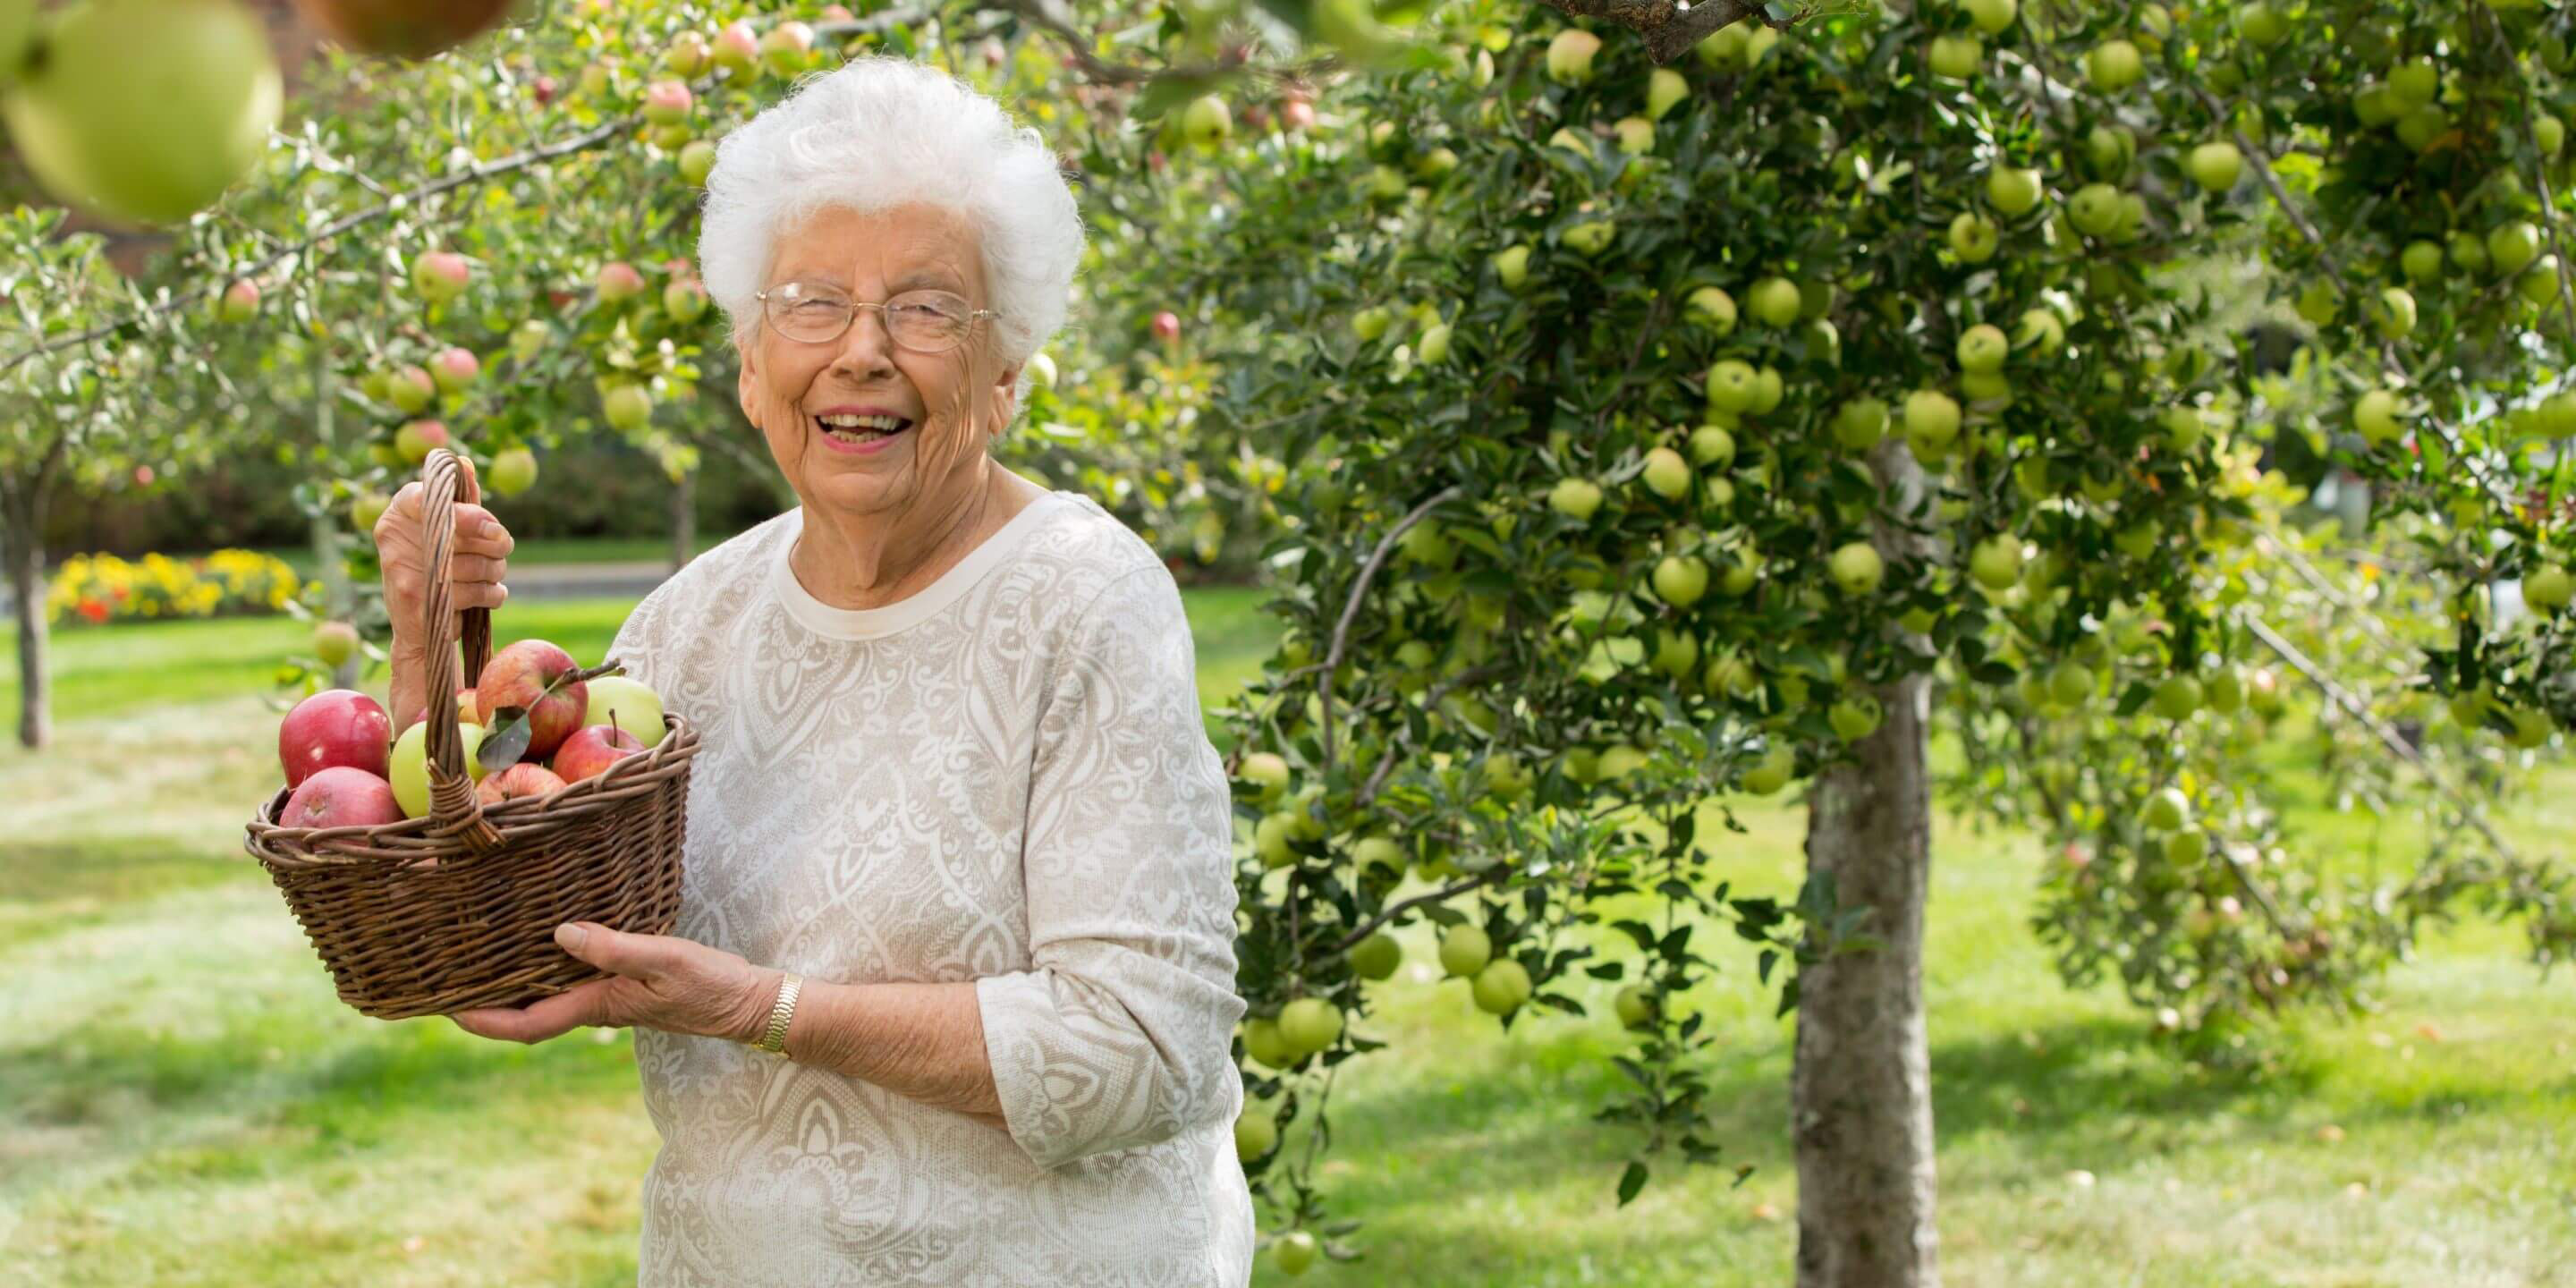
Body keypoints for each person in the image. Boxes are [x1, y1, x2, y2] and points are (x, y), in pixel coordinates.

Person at [373, 55, 1254, 1285]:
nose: (863, 353)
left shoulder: (1085, 604)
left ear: (1005, 377)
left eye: (929, 308)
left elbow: (1148, 1053)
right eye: (812, 303)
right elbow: (489, 922)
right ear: (749, 366)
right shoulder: (689, 629)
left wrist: (761, 1011)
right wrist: (428, 649)